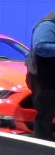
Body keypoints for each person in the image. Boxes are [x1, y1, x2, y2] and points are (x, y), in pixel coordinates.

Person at [25, 11, 55, 141]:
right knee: (45, 116)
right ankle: (42, 150)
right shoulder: (48, 24)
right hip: (45, 79)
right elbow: (41, 47)